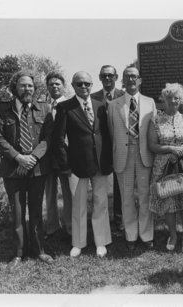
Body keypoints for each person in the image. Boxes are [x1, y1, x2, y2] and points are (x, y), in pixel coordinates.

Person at [0, 71, 54, 269]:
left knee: (35, 211)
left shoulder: (44, 108)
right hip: (13, 169)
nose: (27, 89)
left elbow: (48, 137)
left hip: (37, 168)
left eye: (30, 86)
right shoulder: (2, 109)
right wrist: (18, 158)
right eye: (23, 85)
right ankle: (18, 253)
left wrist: (33, 158)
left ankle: (39, 250)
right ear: (14, 88)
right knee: (17, 213)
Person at [53, 71, 113, 258]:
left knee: (100, 203)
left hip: (99, 162)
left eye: (87, 83)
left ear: (92, 84)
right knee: (78, 206)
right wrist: (65, 166)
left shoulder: (100, 106)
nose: (84, 87)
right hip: (76, 165)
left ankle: (101, 242)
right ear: (73, 85)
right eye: (80, 84)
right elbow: (58, 139)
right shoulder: (65, 107)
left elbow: (106, 135)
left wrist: (108, 160)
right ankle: (78, 243)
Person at [107, 65, 156, 251]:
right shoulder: (113, 105)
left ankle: (146, 235)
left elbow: (152, 130)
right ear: (123, 80)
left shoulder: (150, 102)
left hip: (144, 155)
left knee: (145, 197)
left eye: (134, 76)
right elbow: (112, 133)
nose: (131, 80)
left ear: (140, 80)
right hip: (123, 156)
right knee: (126, 197)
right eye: (127, 76)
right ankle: (130, 235)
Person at [148, 83, 183, 252]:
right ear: (164, 99)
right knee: (168, 201)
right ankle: (173, 235)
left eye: (176, 98)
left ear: (180, 100)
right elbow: (153, 145)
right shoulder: (155, 120)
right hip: (164, 166)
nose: (173, 101)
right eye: (169, 98)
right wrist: (170, 148)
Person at [91, 65, 125, 232]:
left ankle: (119, 219)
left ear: (116, 77)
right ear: (99, 77)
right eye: (104, 76)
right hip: (101, 148)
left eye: (110, 75)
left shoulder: (124, 96)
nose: (107, 78)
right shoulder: (92, 97)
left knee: (120, 186)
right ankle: (102, 221)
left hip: (120, 146)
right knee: (100, 186)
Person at [43, 71, 77, 240]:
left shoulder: (71, 105)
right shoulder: (44, 107)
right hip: (47, 157)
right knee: (49, 193)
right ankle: (52, 227)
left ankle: (70, 228)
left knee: (69, 194)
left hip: (66, 156)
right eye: (51, 84)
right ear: (47, 88)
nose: (54, 86)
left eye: (57, 84)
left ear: (64, 86)